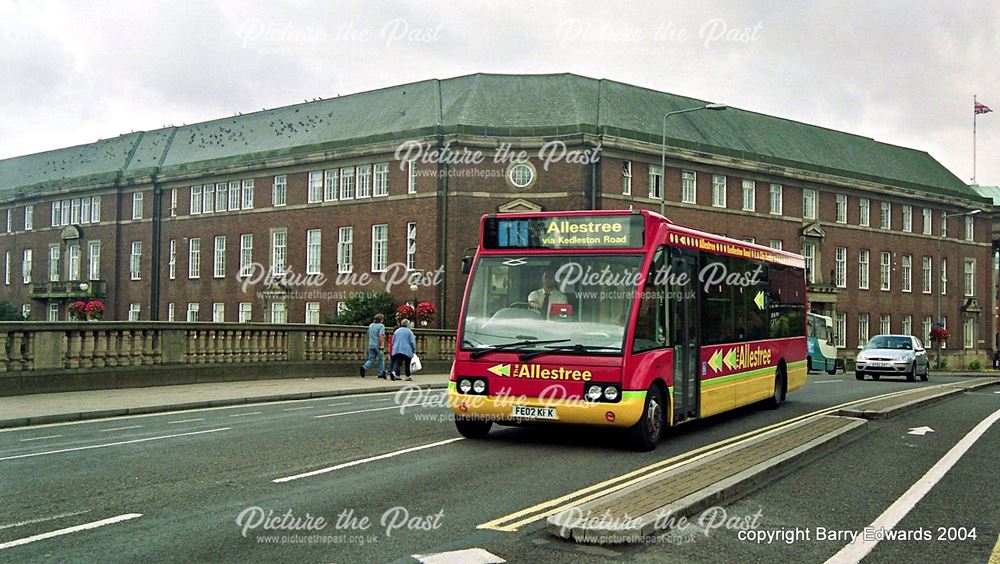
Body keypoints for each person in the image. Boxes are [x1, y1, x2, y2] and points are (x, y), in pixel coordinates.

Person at [360, 313, 386, 378]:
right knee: (381, 359)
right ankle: (380, 373)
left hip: (371, 344)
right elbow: (381, 335)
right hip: (378, 345)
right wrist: (382, 345)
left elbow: (368, 333)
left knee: (371, 358)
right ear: (381, 320)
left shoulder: (371, 325)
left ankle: (364, 367)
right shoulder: (381, 326)